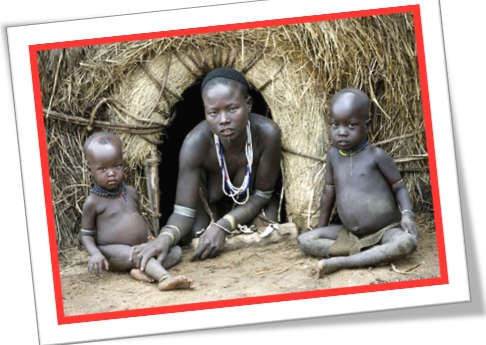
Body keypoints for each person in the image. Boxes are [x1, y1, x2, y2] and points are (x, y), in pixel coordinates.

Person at [130, 67, 282, 271]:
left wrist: (225, 225)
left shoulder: (267, 133)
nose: (223, 119)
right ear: (205, 112)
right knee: (195, 234)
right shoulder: (195, 143)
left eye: (232, 109)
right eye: (213, 112)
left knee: (271, 222)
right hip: (210, 208)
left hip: (253, 203)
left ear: (248, 104)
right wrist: (163, 239)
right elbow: (183, 211)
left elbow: (263, 194)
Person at [297, 87, 419, 278]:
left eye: (351, 126)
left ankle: (342, 261)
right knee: (305, 240)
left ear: (366, 125)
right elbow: (328, 194)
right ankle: (367, 255)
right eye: (335, 125)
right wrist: (321, 227)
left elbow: (400, 187)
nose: (342, 132)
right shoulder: (333, 155)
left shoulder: (376, 156)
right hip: (349, 233)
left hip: (385, 231)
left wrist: (407, 216)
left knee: (406, 243)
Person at [81, 131, 194, 290]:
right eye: (103, 169)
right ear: (89, 169)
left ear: (123, 163)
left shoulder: (131, 192)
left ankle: (142, 271)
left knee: (175, 250)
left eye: (117, 166)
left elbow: (139, 218)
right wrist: (95, 254)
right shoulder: (93, 202)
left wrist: (150, 238)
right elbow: (86, 234)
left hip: (141, 245)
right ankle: (164, 278)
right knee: (138, 255)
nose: (112, 173)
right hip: (113, 251)